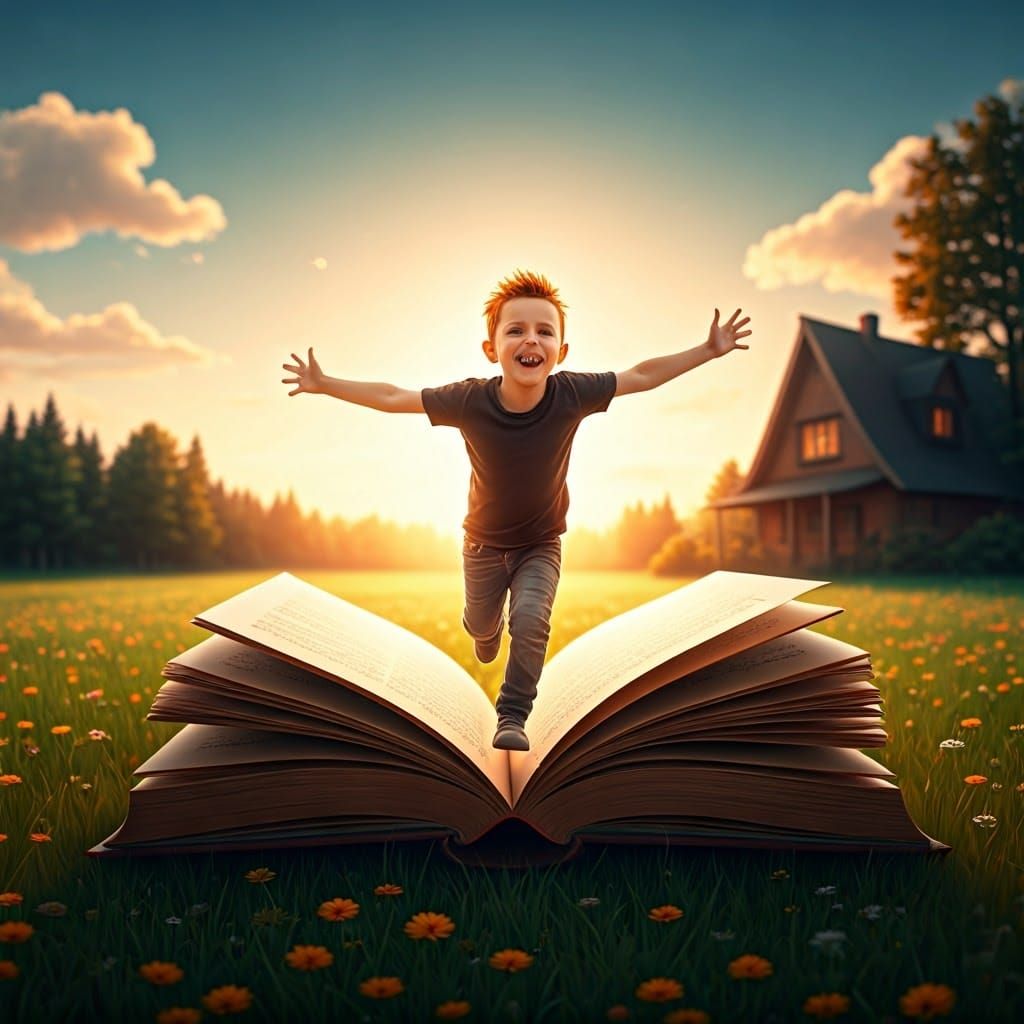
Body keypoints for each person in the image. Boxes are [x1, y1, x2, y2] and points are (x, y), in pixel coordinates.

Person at [281, 269, 751, 751]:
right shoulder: (468, 400)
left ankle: (512, 714)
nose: (532, 340)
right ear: (492, 348)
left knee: (531, 619)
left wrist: (707, 350)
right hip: (480, 548)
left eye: (545, 331)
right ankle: (482, 629)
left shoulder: (573, 393)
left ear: (561, 352)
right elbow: (392, 396)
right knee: (485, 628)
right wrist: (325, 383)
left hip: (540, 545)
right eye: (516, 330)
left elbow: (642, 375)